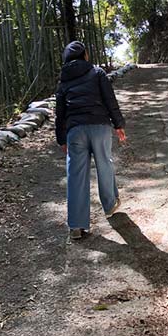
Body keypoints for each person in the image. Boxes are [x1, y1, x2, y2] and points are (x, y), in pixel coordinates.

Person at [55, 41, 127, 241]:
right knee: (104, 163)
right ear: (85, 55)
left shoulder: (63, 81)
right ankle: (110, 203)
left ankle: (76, 226)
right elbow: (109, 99)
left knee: (75, 175)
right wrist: (118, 124)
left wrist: (61, 138)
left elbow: (59, 114)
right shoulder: (97, 73)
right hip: (99, 126)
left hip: (75, 131)